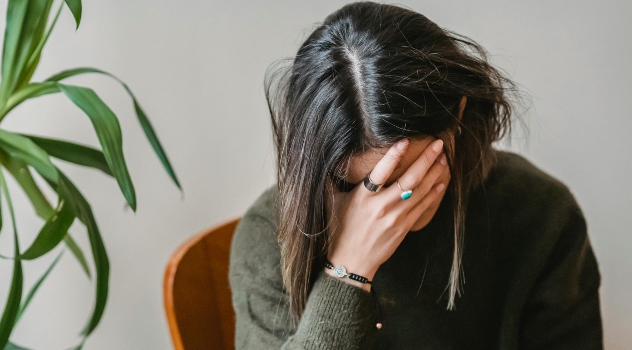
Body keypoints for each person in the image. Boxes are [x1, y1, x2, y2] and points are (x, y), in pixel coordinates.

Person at [228, 2, 603, 349]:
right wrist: (348, 274)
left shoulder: (541, 214)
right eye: (354, 184)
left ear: (458, 113)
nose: (386, 209)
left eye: (412, 175)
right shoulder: (267, 238)